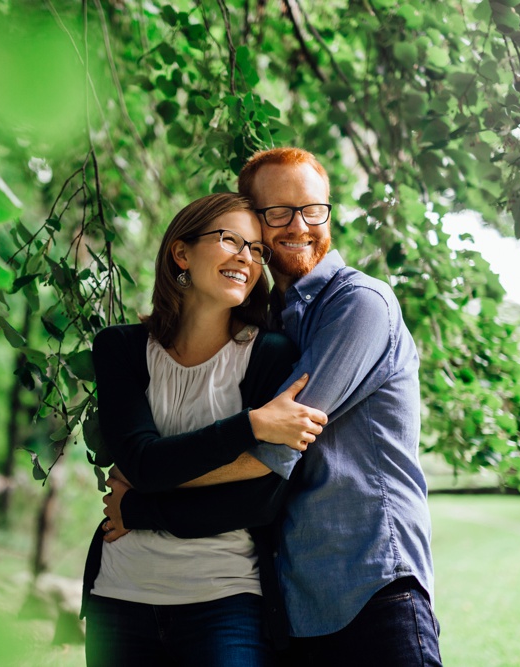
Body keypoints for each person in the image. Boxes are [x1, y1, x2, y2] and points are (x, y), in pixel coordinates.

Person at [103, 147, 442, 667]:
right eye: (277, 213)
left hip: (373, 582)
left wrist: (142, 500)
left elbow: (272, 454)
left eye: (313, 209)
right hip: (297, 602)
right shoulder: (271, 326)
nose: (298, 225)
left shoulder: (358, 305)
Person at [81, 192, 328, 667]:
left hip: (226, 601)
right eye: (230, 240)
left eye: (256, 249)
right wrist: (252, 425)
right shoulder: (121, 349)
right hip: (120, 596)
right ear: (181, 253)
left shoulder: (270, 355)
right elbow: (143, 463)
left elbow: (259, 499)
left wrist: (138, 509)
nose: (246, 258)